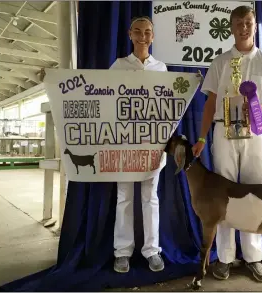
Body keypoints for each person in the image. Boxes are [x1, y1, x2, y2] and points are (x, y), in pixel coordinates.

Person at [192, 6, 262, 283]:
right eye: (238, 23)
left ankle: (253, 256)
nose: (243, 27)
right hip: (223, 134)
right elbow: (210, 103)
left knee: (254, 194)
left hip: (256, 134)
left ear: (255, 26)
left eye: (248, 22)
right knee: (222, 194)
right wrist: (201, 138)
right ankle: (224, 257)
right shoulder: (220, 62)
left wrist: (261, 107)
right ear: (231, 27)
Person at [109, 16, 167, 274]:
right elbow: (105, 101)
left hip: (152, 143)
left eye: (147, 32)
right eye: (138, 32)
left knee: (150, 196)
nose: (143, 36)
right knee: (124, 196)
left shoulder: (162, 68)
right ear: (130, 35)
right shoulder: (119, 65)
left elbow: (167, 106)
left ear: (153, 37)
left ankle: (152, 251)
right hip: (124, 142)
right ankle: (122, 252)